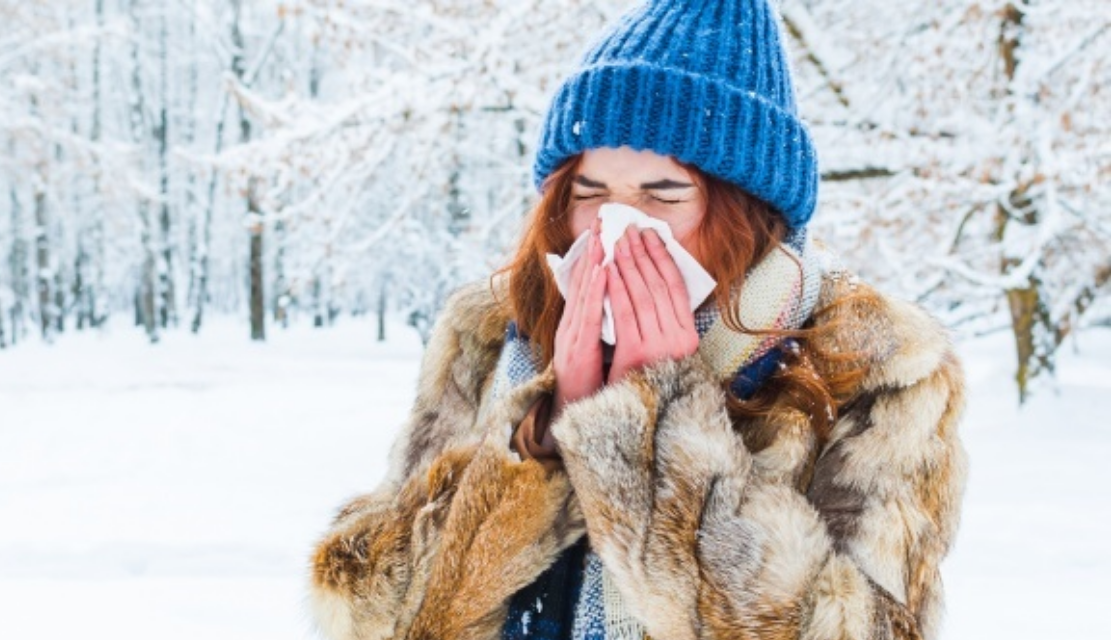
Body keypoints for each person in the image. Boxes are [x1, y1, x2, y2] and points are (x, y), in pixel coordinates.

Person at [308, 1, 967, 639]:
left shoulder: (876, 367)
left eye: (664, 194)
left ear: (750, 214)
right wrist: (537, 437)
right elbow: (378, 616)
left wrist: (662, 424)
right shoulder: (491, 336)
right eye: (587, 194)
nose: (615, 226)